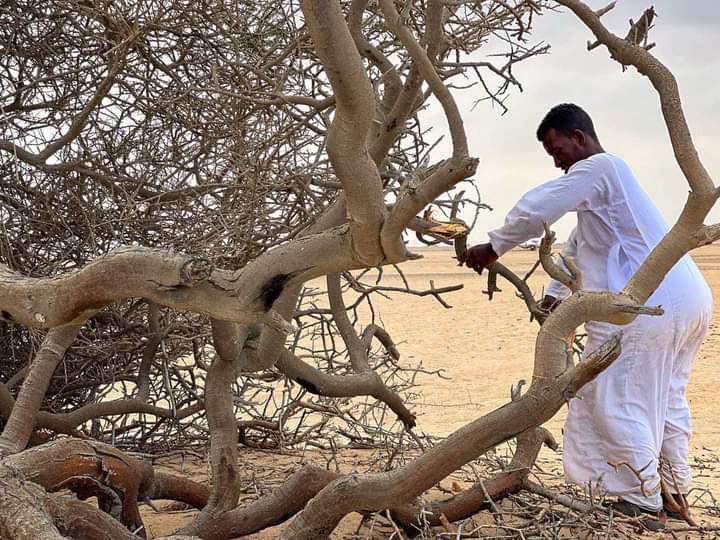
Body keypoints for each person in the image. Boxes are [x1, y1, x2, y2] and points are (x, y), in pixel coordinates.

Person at [462, 104, 713, 529]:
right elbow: (581, 244)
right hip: (688, 298)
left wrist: (494, 246)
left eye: (557, 150)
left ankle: (640, 500)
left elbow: (540, 206)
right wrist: (556, 294)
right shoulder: (612, 182)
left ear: (580, 138)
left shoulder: (599, 167)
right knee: (665, 397)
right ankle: (672, 493)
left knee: (618, 393)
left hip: (648, 304)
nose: (557, 161)